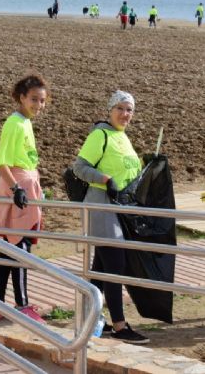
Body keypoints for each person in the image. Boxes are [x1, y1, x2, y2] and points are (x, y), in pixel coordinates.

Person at [72, 90, 149, 344]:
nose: (125, 114)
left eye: (129, 110)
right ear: (110, 109)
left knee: (102, 268)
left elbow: (130, 170)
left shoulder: (123, 137)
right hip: (101, 206)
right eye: (121, 108)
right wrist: (105, 179)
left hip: (118, 209)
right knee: (115, 264)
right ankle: (119, 325)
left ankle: (90, 317)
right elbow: (80, 167)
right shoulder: (100, 135)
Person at [0, 74, 48, 324]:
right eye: (34, 99)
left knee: (8, 248)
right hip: (18, 188)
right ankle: (22, 305)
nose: (38, 105)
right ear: (22, 97)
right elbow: (1, 162)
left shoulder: (25, 122)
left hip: (25, 185)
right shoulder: (15, 123)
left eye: (42, 101)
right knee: (19, 247)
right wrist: (16, 189)